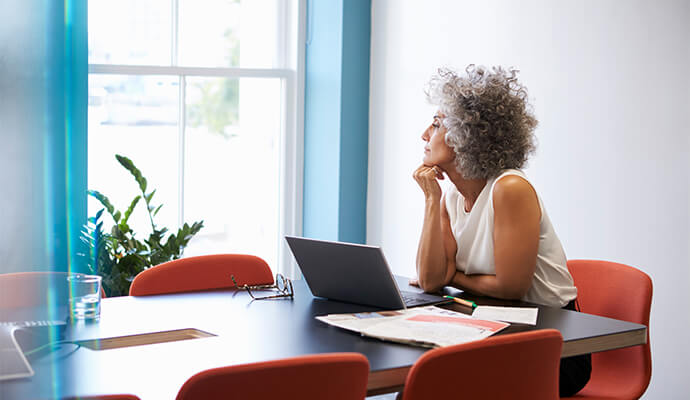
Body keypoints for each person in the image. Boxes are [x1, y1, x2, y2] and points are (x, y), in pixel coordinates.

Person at [412, 65, 591, 396]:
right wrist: (430, 197)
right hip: (494, 328)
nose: (425, 134)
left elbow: (510, 287)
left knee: (441, 383)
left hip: (555, 346)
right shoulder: (450, 195)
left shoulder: (509, 189)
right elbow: (429, 279)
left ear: (468, 135)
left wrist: (453, 278)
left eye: (436, 124)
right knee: (423, 381)